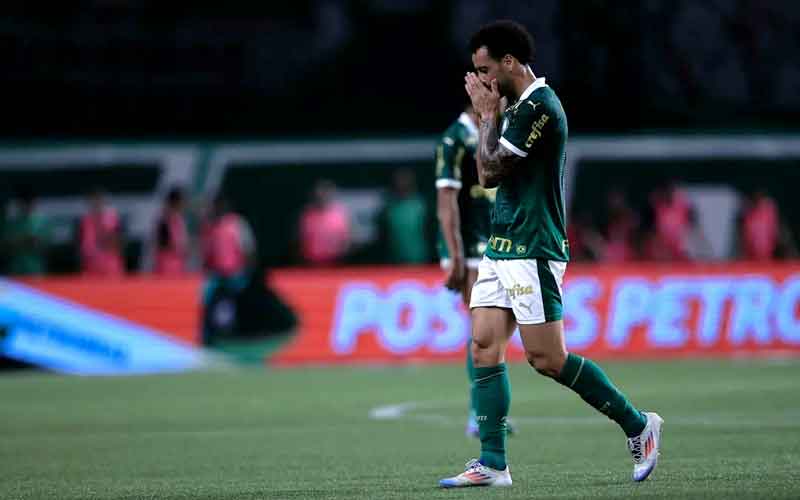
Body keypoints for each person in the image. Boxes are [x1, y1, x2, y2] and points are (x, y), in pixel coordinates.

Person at [439, 21, 662, 488]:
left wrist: (486, 117)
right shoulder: (514, 104)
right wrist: (491, 115)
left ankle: (639, 424)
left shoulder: (540, 105)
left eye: (485, 70)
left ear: (509, 62)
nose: (481, 81)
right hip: (502, 245)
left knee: (547, 358)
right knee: (483, 346)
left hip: (533, 247)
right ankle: (493, 463)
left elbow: (489, 172)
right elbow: (490, 171)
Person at [435, 105, 516, 438]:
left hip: (501, 241)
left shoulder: (501, 128)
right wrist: (453, 255)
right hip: (470, 247)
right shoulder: (455, 138)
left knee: (495, 333)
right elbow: (446, 202)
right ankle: (479, 413)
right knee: (482, 330)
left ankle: (486, 411)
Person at [382, 168, 430, 264]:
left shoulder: (422, 206)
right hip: (394, 261)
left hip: (421, 261)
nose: (401, 183)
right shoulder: (389, 207)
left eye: (405, 179)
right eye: (399, 180)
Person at [298, 180, 351, 266]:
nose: (322, 196)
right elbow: (300, 241)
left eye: (325, 193)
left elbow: (347, 242)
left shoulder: (340, 215)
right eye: (320, 193)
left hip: (336, 263)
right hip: (311, 263)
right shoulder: (306, 215)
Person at [736, 189, 797, 260]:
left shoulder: (771, 211)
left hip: (773, 257)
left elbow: (781, 235)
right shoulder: (748, 213)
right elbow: (745, 237)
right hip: (752, 258)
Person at [2, 188, 51, 275]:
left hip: (36, 270)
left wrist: (32, 241)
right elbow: (6, 246)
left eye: (28, 202)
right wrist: (22, 241)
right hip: (16, 271)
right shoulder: (12, 224)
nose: (25, 205)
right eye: (22, 202)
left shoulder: (43, 222)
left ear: (33, 202)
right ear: (18, 204)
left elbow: (45, 247)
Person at [79, 189, 124, 276]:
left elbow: (116, 243)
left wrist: (100, 226)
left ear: (103, 202)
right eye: (92, 201)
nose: (95, 204)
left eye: (98, 200)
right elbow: (82, 246)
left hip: (110, 267)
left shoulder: (112, 219)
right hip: (90, 267)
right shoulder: (85, 221)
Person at [154, 187, 189, 275]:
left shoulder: (178, 219)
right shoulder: (165, 220)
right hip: (167, 266)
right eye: (182, 201)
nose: (184, 204)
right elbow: (163, 243)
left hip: (177, 265)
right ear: (175, 202)